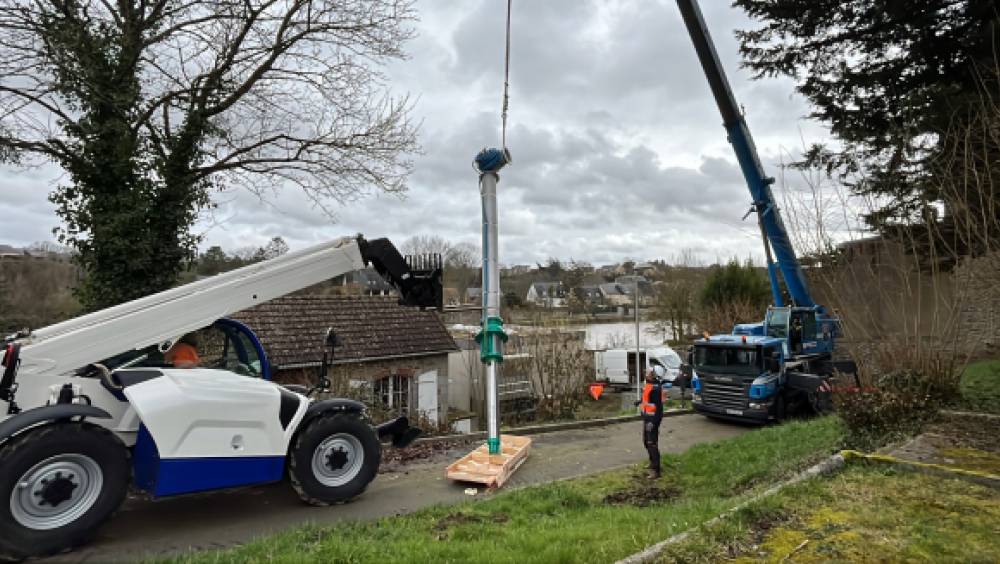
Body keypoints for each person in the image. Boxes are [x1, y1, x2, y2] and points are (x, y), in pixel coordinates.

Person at [639, 364, 665, 479]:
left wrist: (653, 422)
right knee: (646, 441)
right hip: (647, 418)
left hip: (652, 420)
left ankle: (656, 470)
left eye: (649, 372)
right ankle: (652, 462)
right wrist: (639, 401)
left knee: (651, 443)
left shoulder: (655, 388)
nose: (647, 372)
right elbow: (647, 398)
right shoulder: (650, 385)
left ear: (654, 375)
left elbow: (658, 408)